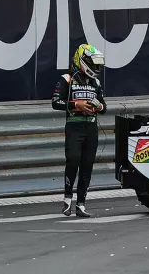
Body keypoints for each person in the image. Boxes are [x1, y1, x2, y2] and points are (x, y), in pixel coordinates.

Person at [52, 44, 107, 218]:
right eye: (93, 63)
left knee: (87, 166)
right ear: (82, 61)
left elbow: (104, 107)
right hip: (74, 127)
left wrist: (98, 106)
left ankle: (81, 204)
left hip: (91, 128)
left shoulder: (96, 82)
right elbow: (55, 102)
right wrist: (77, 105)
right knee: (73, 160)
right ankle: (67, 200)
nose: (96, 68)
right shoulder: (66, 79)